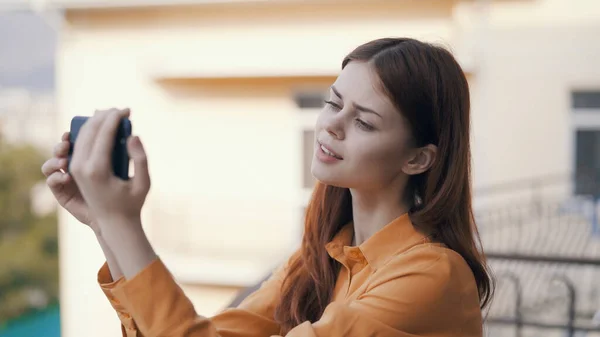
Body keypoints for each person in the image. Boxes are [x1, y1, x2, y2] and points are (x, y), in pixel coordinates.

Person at [42, 37, 493, 337]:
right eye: (333, 103)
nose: (330, 126)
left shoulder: (431, 276)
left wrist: (121, 222)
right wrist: (104, 222)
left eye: (363, 121)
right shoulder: (321, 257)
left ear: (418, 157)